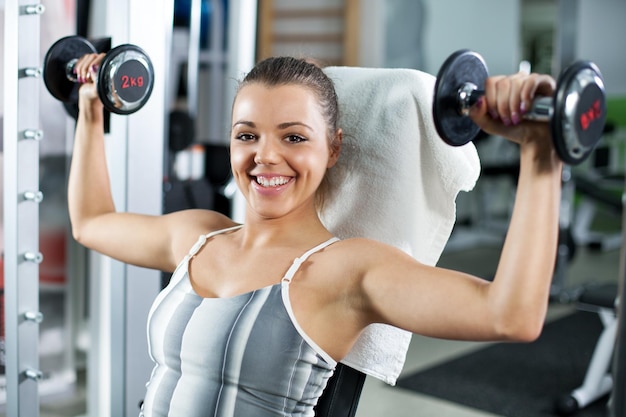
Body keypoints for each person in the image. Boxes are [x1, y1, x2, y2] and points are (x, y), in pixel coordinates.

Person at [69, 54, 561, 417]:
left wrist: (540, 152)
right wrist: (92, 104)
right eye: (247, 135)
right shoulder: (199, 236)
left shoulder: (342, 272)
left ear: (333, 149)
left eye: (294, 137)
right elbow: (91, 223)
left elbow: (511, 316)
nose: (265, 155)